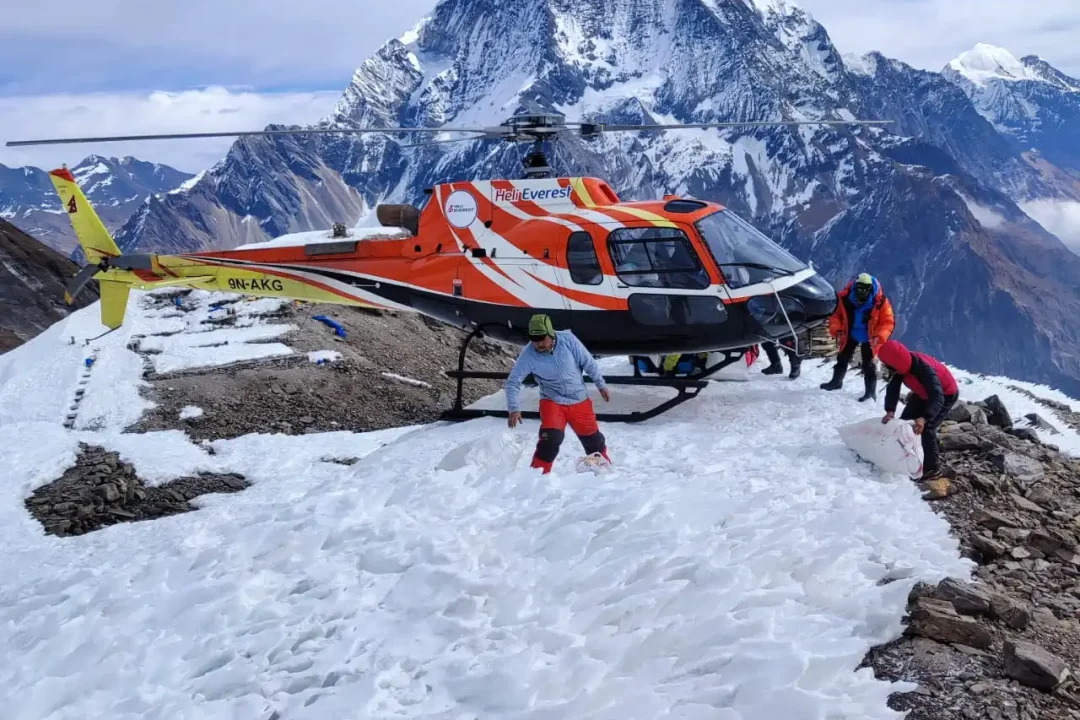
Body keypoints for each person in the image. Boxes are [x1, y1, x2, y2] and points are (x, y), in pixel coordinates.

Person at [506, 314, 612, 474]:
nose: (538, 343)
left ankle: (596, 468)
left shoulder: (568, 340)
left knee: (594, 442)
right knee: (551, 439)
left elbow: (588, 362)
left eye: (541, 338)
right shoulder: (529, 354)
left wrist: (601, 384)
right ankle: (537, 475)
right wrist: (514, 408)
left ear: (551, 334)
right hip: (553, 401)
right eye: (534, 339)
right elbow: (513, 381)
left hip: (579, 400)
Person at [877, 339, 959, 482]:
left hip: (945, 395)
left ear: (894, 363)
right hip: (922, 393)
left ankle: (932, 469)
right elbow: (893, 388)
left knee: (926, 428)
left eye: (887, 365)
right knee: (904, 423)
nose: (887, 368)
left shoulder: (924, 369)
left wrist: (924, 418)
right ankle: (905, 456)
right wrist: (890, 411)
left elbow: (937, 396)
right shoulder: (901, 365)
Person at [821, 272, 895, 401]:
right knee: (843, 357)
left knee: (868, 364)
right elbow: (835, 316)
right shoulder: (844, 298)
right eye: (860, 288)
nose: (862, 291)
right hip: (850, 333)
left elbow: (888, 322)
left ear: (870, 288)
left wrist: (880, 336)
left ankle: (870, 392)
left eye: (865, 288)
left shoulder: (880, 302)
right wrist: (837, 329)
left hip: (870, 337)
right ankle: (836, 382)